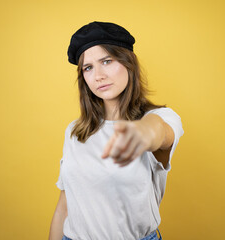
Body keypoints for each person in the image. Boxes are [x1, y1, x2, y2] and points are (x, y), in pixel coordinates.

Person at [49, 21, 184, 240]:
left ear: (128, 63)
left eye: (107, 61)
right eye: (88, 67)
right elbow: (64, 206)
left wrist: (140, 133)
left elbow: (158, 132)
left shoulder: (159, 118)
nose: (98, 75)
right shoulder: (75, 131)